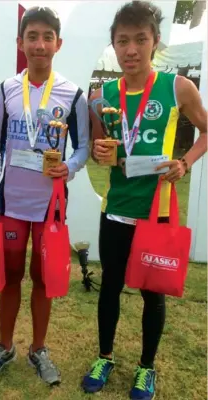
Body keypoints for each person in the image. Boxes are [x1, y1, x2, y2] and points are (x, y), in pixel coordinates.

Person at [82, 2, 207, 399]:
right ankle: (105, 356)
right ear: (114, 46)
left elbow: (206, 132)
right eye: (123, 41)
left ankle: (146, 367)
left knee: (154, 293)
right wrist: (102, 153)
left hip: (158, 213)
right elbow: (103, 148)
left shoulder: (178, 87)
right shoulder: (103, 94)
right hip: (117, 208)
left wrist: (185, 163)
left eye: (140, 39)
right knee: (110, 289)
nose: (131, 49)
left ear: (154, 42)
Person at [0, 6, 89, 385]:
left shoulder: (73, 94)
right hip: (11, 205)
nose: (39, 44)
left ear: (58, 43)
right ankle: (4, 345)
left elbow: (84, 148)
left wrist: (69, 167)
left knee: (43, 280)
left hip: (49, 209)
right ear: (20, 43)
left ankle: (39, 349)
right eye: (32, 37)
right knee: (10, 278)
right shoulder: (8, 89)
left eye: (47, 37)